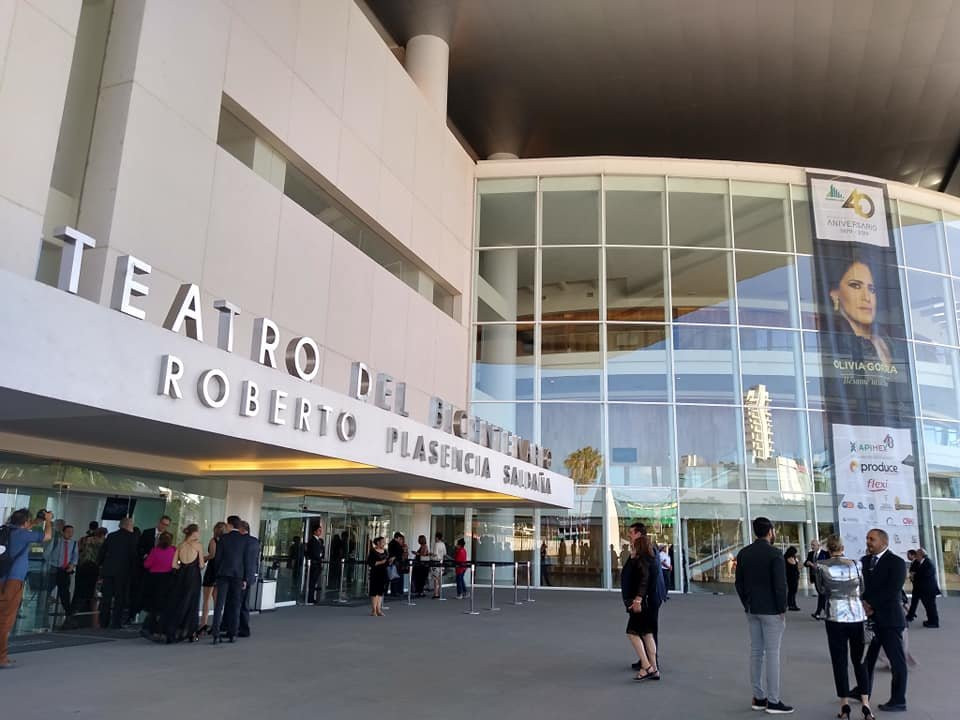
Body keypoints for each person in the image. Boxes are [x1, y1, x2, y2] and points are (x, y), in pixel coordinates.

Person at [735, 516, 793, 715]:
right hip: (772, 611)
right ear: (770, 532)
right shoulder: (775, 554)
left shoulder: (744, 553)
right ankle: (774, 701)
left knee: (756, 652)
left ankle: (759, 697)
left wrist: (747, 603)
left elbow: (739, 583)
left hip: (752, 609)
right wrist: (782, 608)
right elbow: (780, 585)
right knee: (773, 654)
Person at [814, 535, 874, 720]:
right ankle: (866, 704)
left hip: (834, 615)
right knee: (860, 660)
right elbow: (862, 588)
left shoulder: (821, 565)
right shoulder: (856, 564)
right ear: (842, 547)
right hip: (856, 614)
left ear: (828, 549)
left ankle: (845, 705)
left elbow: (821, 589)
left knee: (839, 661)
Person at [861, 528, 908, 712]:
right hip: (871, 621)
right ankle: (863, 691)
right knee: (866, 660)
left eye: (872, 539)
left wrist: (870, 605)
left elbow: (892, 589)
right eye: (867, 538)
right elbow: (862, 586)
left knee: (897, 662)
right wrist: (863, 603)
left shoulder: (896, 562)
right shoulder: (865, 561)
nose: (868, 542)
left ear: (884, 542)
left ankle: (898, 700)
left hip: (890, 620)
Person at [0, 509, 53, 668]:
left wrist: (37, 520)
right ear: (25, 522)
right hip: (13, 580)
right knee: (5, 620)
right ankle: (1, 657)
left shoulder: (5, 530)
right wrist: (48, 521)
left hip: (2, 577)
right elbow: (47, 536)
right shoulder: (23, 535)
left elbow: (24, 527)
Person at [827, 255, 893, 364]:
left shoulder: (890, 342)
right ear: (835, 294)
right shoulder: (832, 341)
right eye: (856, 286)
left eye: (872, 289)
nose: (867, 298)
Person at [623, 530, 662, 682]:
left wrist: (638, 599)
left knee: (632, 633)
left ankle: (647, 666)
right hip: (648, 602)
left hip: (641, 603)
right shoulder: (651, 559)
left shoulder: (641, 561)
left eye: (634, 545)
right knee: (647, 634)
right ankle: (654, 668)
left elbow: (643, 581)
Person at [163, 524, 205, 643]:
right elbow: (201, 565)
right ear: (194, 533)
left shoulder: (180, 545)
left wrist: (182, 567)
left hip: (181, 575)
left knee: (179, 601)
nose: (199, 534)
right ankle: (191, 632)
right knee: (192, 603)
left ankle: (172, 631)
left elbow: (174, 564)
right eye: (198, 532)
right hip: (193, 576)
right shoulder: (198, 545)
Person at [211, 515, 247, 644]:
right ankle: (233, 634)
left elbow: (218, 558)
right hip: (238, 575)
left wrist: (217, 573)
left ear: (230, 525)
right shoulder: (244, 540)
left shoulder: (223, 538)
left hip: (223, 574)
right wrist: (245, 578)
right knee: (236, 604)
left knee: (219, 604)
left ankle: (216, 634)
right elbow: (245, 560)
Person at [97, 517, 138, 629]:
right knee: (120, 598)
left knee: (107, 597)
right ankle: (116, 622)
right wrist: (134, 571)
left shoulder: (111, 536)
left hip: (109, 571)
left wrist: (100, 565)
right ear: (128, 525)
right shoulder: (132, 537)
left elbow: (102, 552)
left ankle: (103, 622)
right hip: (123, 572)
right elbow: (133, 555)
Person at [140, 531, 175, 639]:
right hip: (168, 579)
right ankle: (162, 629)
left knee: (154, 604)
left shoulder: (155, 551)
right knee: (165, 604)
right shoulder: (173, 550)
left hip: (154, 579)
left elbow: (147, 564)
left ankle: (150, 627)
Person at [43, 523, 78, 625]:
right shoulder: (56, 541)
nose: (70, 534)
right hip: (54, 569)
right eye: (68, 532)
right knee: (47, 590)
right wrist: (51, 564)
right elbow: (46, 554)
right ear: (63, 532)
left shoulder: (74, 543)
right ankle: (43, 611)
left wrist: (72, 565)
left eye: (72, 532)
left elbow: (75, 556)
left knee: (65, 593)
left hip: (65, 571)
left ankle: (68, 613)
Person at [199, 521, 225, 635]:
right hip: (220, 571)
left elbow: (212, 555)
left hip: (212, 570)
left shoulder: (213, 540)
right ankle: (216, 624)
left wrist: (202, 558)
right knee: (216, 600)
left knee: (206, 599)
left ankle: (203, 624)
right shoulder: (225, 541)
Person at [74, 526, 106, 619]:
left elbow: (78, 550)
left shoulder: (83, 539)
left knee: (79, 586)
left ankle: (76, 607)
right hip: (93, 566)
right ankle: (86, 607)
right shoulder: (102, 542)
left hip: (81, 565)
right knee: (90, 586)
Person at [905, 547, 939, 628]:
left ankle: (934, 623)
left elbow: (926, 574)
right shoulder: (920, 562)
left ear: (921, 555)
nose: (915, 556)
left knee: (930, 606)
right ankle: (930, 621)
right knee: (927, 606)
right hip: (921, 589)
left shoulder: (928, 563)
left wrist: (915, 575)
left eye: (916, 555)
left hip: (928, 589)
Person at [237, 520, 259, 638]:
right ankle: (244, 628)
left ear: (241, 529)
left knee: (238, 603)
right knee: (245, 603)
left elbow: (244, 560)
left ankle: (238, 628)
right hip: (250, 576)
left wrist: (244, 578)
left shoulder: (241, 541)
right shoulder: (255, 541)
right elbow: (254, 560)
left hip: (242, 577)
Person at [805, 539, 829, 619]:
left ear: (819, 546)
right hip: (815, 577)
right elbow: (806, 562)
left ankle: (818, 612)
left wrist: (812, 565)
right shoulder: (811, 553)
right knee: (821, 594)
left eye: (814, 545)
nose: (812, 547)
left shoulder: (825, 554)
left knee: (822, 594)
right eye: (811, 545)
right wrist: (807, 563)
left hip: (823, 577)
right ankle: (825, 612)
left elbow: (826, 565)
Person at [368, 536, 389, 616]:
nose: (384, 543)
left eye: (384, 542)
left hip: (383, 572)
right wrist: (381, 562)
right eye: (383, 542)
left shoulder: (385, 551)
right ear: (378, 542)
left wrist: (389, 561)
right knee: (374, 591)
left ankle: (379, 609)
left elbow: (387, 562)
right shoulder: (373, 551)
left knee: (380, 592)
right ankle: (374, 610)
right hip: (375, 572)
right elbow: (370, 563)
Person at [306, 524, 325, 604]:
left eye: (321, 530)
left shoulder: (318, 541)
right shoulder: (312, 541)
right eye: (319, 530)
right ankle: (310, 598)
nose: (320, 532)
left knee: (314, 582)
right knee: (312, 582)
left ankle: (311, 598)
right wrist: (319, 558)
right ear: (315, 531)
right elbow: (314, 553)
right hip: (314, 564)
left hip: (317, 564)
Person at [387, 532, 405, 597]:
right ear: (397, 537)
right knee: (396, 576)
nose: (401, 540)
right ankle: (396, 591)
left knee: (393, 576)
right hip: (397, 562)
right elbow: (400, 552)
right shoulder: (396, 544)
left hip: (393, 562)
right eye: (400, 538)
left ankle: (394, 591)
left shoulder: (391, 543)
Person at [783, 546, 801, 611]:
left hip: (792, 577)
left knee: (792, 591)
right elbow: (796, 565)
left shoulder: (788, 557)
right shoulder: (789, 558)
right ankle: (792, 605)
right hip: (792, 577)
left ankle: (791, 604)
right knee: (792, 591)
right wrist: (796, 561)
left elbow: (798, 566)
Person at [431, 532, 447, 599]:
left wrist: (430, 554)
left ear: (437, 537)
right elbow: (445, 553)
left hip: (436, 563)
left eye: (435, 537)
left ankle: (436, 593)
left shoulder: (436, 544)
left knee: (436, 579)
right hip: (441, 562)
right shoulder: (443, 544)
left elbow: (435, 554)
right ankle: (440, 592)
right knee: (440, 578)